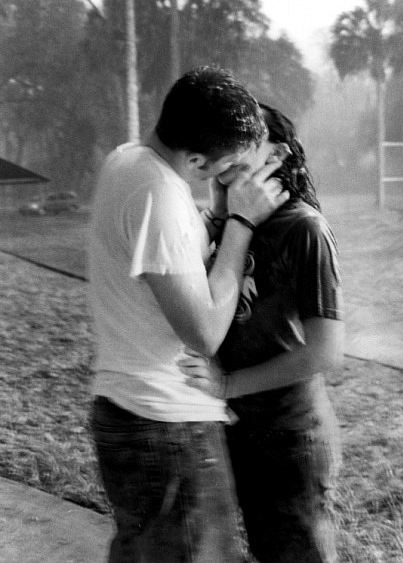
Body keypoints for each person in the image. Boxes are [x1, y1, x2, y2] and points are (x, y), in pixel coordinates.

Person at [88, 67, 289, 563]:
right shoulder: (158, 195)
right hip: (165, 427)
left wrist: (217, 212)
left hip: (129, 410)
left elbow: (170, 258)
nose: (237, 174)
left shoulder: (129, 159)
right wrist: (241, 222)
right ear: (197, 160)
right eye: (230, 164)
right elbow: (204, 331)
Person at [180, 104, 344, 563]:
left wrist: (228, 385)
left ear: (278, 153)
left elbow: (326, 351)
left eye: (245, 139)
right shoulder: (233, 221)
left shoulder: (304, 228)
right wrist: (220, 213)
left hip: (291, 435)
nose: (226, 151)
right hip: (238, 430)